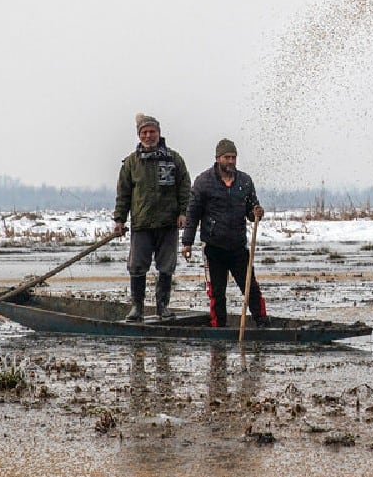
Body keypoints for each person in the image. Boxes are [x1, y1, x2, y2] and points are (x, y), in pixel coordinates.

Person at [181, 138, 268, 327]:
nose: (230, 161)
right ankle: (219, 326)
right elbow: (193, 213)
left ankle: (261, 321)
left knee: (250, 286)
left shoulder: (244, 181)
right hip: (213, 247)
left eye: (233, 157)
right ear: (218, 158)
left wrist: (257, 212)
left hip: (238, 246)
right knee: (217, 292)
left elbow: (251, 211)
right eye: (227, 157)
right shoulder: (203, 182)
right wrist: (187, 242)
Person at [112, 113, 190, 321]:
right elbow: (124, 193)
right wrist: (119, 219)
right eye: (144, 132)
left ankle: (162, 307)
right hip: (141, 224)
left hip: (168, 223)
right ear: (139, 135)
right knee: (137, 266)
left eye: (152, 132)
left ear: (159, 133)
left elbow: (184, 187)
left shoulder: (173, 159)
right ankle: (137, 308)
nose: (148, 135)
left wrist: (183, 212)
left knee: (166, 266)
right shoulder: (131, 162)